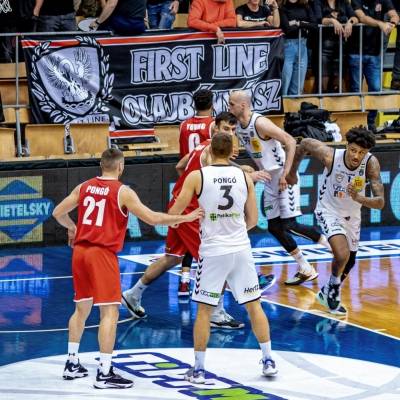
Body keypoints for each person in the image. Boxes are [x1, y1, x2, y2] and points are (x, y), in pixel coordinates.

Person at [52, 148, 203, 389]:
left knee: (81, 309)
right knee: (110, 313)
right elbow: (153, 219)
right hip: (102, 254)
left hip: (80, 253)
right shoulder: (123, 191)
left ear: (101, 165)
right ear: (121, 166)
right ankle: (104, 372)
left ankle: (71, 363)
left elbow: (57, 212)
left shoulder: (84, 187)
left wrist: (72, 227)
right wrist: (185, 218)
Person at [122, 112, 273, 328]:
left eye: (233, 130)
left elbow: (180, 166)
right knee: (216, 256)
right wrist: (248, 175)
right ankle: (216, 313)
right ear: (215, 128)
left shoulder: (202, 146)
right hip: (191, 213)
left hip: (181, 206)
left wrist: (192, 185)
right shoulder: (210, 151)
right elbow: (219, 172)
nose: (230, 133)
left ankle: (133, 293)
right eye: (226, 129)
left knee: (172, 258)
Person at [169, 132, 278, 382]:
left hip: (213, 251)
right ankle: (268, 360)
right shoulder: (244, 176)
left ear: (209, 151)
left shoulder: (197, 176)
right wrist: (234, 231)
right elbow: (253, 220)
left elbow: (174, 214)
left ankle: (198, 369)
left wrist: (186, 218)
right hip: (241, 248)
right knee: (254, 306)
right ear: (231, 153)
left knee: (204, 311)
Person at [229, 90, 331, 285]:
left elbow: (290, 141)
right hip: (269, 179)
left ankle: (333, 247)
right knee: (274, 227)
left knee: (290, 224)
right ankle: (305, 268)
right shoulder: (238, 127)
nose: (229, 107)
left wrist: (286, 173)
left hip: (283, 177)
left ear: (243, 105)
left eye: (231, 104)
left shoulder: (260, 122)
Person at [287, 127, 384, 314]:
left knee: (350, 261)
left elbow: (380, 203)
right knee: (341, 254)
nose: (356, 156)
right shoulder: (330, 157)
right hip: (328, 209)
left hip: (352, 214)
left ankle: (328, 290)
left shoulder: (371, 164)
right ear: (347, 146)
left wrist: (359, 198)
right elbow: (304, 143)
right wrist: (292, 173)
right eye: (353, 150)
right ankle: (333, 291)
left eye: (362, 153)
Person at [177, 89, 214, 296]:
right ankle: (207, 285)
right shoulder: (213, 125)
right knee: (202, 235)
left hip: (187, 178)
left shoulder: (183, 125)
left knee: (187, 236)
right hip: (205, 181)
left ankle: (184, 281)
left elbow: (182, 160)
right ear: (212, 104)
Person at [347, 0, 398, 130]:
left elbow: (394, 14)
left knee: (375, 89)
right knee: (355, 90)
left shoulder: (383, 0)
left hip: (375, 53)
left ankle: (370, 123)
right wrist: (381, 24)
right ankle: (356, 123)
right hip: (356, 51)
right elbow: (362, 18)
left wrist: (392, 23)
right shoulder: (357, 0)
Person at [319, 0, 358, 92]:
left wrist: (350, 22)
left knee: (339, 82)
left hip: (341, 46)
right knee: (323, 83)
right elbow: (319, 19)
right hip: (324, 46)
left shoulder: (344, 2)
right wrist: (332, 21)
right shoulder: (319, 2)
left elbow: (355, 18)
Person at [279, 0, 316, 95]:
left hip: (303, 45)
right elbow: (287, 29)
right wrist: (305, 25)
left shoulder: (306, 7)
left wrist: (297, 23)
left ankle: (294, 103)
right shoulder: (282, 8)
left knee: (298, 83)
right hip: (288, 46)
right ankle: (282, 103)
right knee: (285, 80)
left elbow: (314, 25)